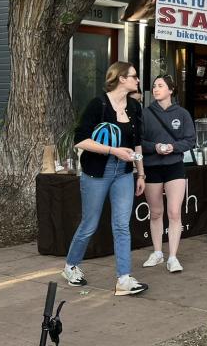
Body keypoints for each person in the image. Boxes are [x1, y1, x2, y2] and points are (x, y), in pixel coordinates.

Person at [62, 61, 148, 296]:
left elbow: (136, 143)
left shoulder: (134, 107)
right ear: (121, 79)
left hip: (124, 173)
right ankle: (70, 266)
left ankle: (124, 278)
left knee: (122, 226)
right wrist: (113, 151)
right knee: (89, 224)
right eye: (134, 76)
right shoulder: (97, 104)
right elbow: (80, 140)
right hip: (97, 172)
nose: (137, 80)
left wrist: (140, 172)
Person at [141, 75, 196, 273]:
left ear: (171, 90)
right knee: (156, 212)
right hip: (152, 167)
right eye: (154, 86)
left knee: (174, 212)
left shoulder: (182, 113)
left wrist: (172, 147)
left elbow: (190, 140)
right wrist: (155, 147)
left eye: (160, 86)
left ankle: (172, 256)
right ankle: (157, 252)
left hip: (174, 167)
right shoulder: (146, 113)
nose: (156, 89)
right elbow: (139, 141)